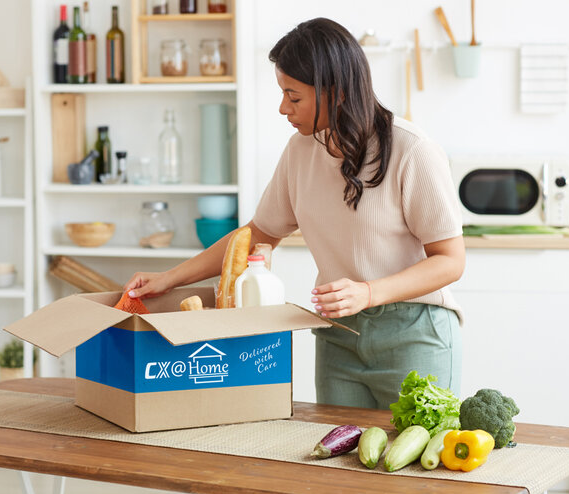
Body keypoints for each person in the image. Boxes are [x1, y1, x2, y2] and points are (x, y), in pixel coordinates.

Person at [125, 17, 465, 410]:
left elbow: (450, 261)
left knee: (420, 462)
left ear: (334, 92)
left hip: (413, 331)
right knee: (340, 462)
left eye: (294, 96)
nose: (283, 107)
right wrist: (168, 279)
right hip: (339, 333)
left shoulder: (411, 150)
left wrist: (369, 292)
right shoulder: (300, 152)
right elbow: (257, 234)